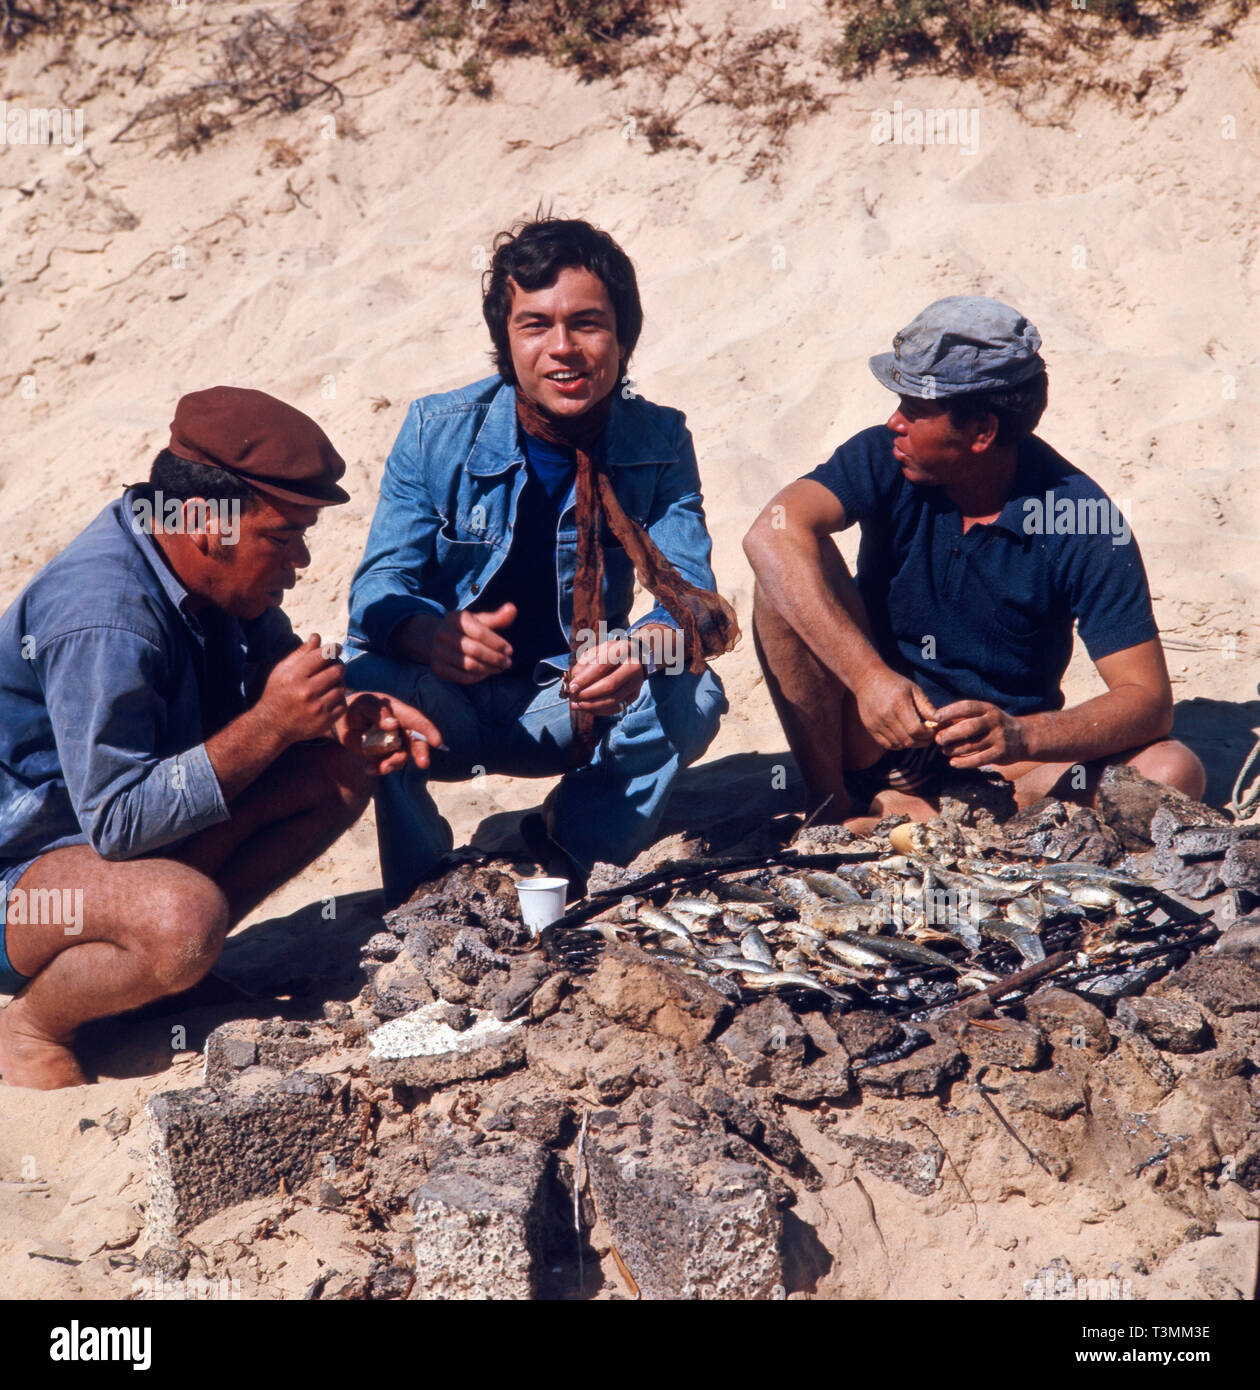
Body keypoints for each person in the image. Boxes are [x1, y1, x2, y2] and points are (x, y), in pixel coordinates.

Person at [0, 387, 441, 1090]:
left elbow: (276, 662)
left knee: (345, 766)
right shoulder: (103, 618)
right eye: (282, 536)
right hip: (24, 875)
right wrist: (270, 725)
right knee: (183, 920)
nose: (299, 561)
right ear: (206, 523)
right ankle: (34, 1022)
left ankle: (164, 979)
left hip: (114, 849)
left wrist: (347, 708)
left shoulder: (204, 566)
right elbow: (117, 823)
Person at [345, 216, 735, 907]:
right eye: (535, 326)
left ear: (623, 336)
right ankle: (422, 888)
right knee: (364, 681)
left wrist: (641, 651)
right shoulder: (436, 429)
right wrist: (425, 634)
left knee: (690, 685)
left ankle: (573, 849)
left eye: (587, 323)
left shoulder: (661, 437)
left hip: (572, 700)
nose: (563, 349)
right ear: (506, 340)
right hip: (446, 705)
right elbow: (377, 590)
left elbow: (697, 604)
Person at [744, 295, 1204, 832]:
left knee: (1173, 770)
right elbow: (768, 534)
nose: (895, 422)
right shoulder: (884, 456)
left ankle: (939, 817)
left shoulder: (1082, 519)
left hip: (1010, 767)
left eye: (915, 410)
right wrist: (870, 679)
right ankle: (833, 809)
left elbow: (1148, 701)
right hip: (879, 737)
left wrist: (1020, 734)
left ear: (982, 432)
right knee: (786, 568)